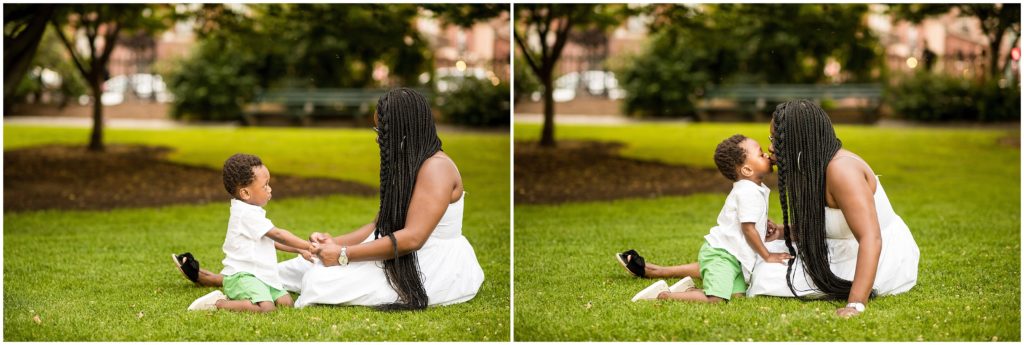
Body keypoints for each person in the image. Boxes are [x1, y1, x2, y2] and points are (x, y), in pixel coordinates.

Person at [173, 88, 484, 310]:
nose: (378, 134)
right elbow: (379, 224)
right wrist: (331, 245)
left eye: (382, 127)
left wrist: (344, 254)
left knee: (320, 283)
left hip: (430, 262)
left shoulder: (437, 169)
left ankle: (227, 292)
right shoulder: (410, 162)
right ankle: (222, 280)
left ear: (404, 127)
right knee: (307, 262)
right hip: (396, 247)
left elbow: (413, 237)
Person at [746, 99, 919, 317]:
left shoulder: (842, 171)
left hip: (877, 257)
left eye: (776, 139)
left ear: (799, 140)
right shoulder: (810, 166)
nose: (771, 147)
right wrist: (782, 231)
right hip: (841, 246)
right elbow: (824, 223)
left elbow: (871, 238)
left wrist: (855, 304)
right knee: (759, 253)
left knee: (765, 275)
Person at [624, 134, 791, 303]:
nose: (767, 154)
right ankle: (666, 296)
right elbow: (748, 229)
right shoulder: (748, 191)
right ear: (747, 170)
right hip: (722, 255)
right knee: (716, 299)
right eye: (760, 154)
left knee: (736, 296)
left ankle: (690, 290)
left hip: (732, 256)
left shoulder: (752, 188)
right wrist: (767, 256)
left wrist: (762, 222)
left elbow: (748, 219)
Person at [177, 153, 316, 312]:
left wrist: (299, 249)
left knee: (287, 303)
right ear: (245, 193)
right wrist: (309, 246)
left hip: (260, 275)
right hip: (242, 276)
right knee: (267, 309)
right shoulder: (245, 214)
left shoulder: (252, 211)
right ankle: (218, 303)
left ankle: (249, 294)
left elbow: (271, 241)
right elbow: (278, 235)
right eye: (265, 186)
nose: (270, 189)